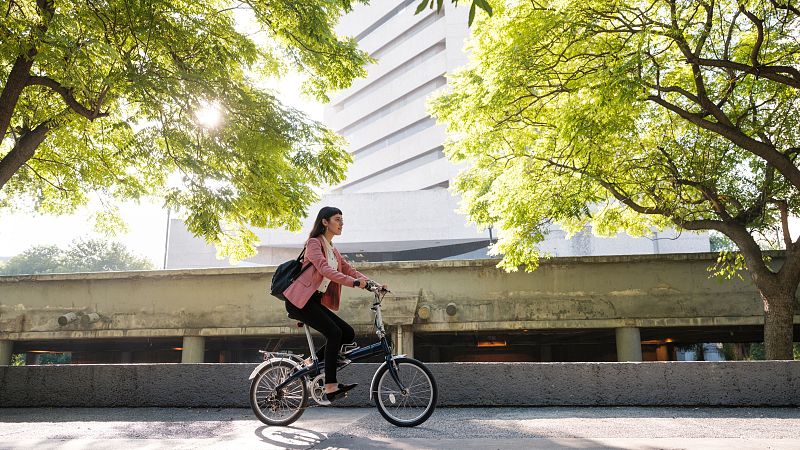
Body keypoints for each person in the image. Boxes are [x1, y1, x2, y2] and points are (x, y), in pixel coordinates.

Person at [282, 206, 386, 403]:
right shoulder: (313, 244)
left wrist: (374, 285)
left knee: (347, 333)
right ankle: (330, 385)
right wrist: (354, 283)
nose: (341, 223)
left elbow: (350, 270)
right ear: (325, 222)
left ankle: (312, 363)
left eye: (342, 220)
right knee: (334, 333)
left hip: (312, 302)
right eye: (337, 219)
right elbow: (325, 269)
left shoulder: (333, 250)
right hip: (299, 301)